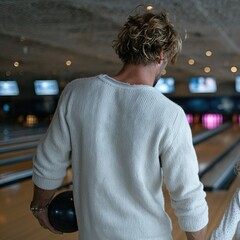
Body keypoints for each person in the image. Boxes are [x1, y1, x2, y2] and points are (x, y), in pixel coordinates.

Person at [30, 11, 208, 240]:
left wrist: (40, 207)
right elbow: (188, 197)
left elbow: (48, 162)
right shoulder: (169, 114)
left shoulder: (76, 93)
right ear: (162, 54)